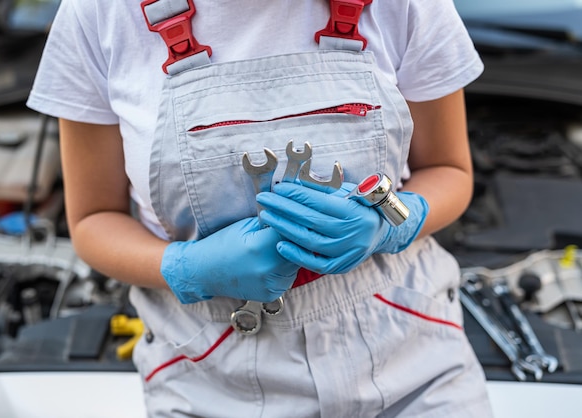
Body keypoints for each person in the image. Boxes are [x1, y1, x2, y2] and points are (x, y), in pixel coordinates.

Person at [27, 0, 493, 416]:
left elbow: (450, 170)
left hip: (412, 354)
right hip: (208, 373)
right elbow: (92, 220)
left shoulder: (406, 5)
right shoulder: (99, 14)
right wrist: (187, 267)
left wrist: (392, 222)